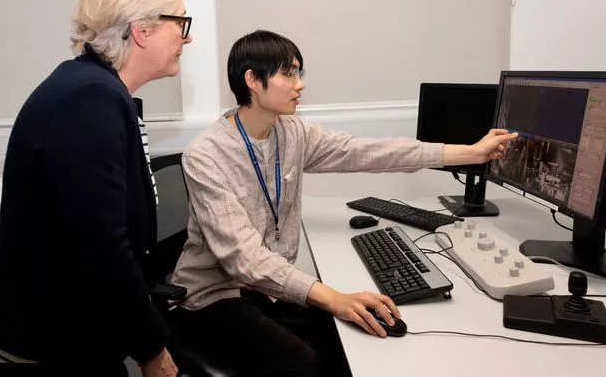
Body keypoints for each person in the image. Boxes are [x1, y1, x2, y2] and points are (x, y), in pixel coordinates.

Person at [171, 30, 517, 376]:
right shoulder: (206, 156)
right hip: (212, 301)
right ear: (252, 80)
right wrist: (335, 297)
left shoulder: (293, 133)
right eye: (288, 73)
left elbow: (370, 152)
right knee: (308, 362)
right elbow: (243, 260)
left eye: (299, 73)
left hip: (268, 293)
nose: (299, 84)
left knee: (347, 344)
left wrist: (469, 152)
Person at [0, 0, 192, 376]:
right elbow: (102, 247)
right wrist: (152, 350)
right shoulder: (88, 100)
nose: (187, 37)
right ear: (142, 29)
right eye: (181, 22)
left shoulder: (93, 91)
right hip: (54, 352)